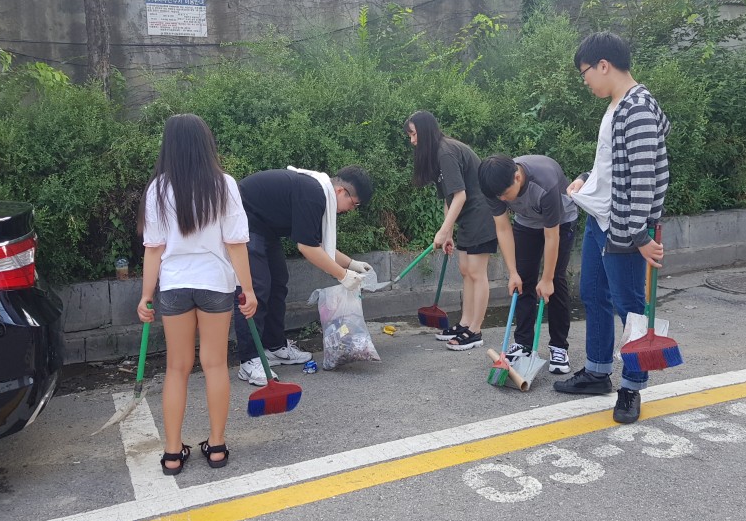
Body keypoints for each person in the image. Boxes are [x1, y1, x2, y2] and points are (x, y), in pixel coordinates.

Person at [554, 31, 671, 425]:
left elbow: (642, 179)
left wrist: (638, 235)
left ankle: (632, 387)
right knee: (593, 293)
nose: (585, 80)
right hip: (602, 217)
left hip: (625, 228)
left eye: (585, 72)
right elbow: (613, 164)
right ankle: (599, 371)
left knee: (630, 306)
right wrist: (587, 179)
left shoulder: (637, 108)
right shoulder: (618, 105)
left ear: (603, 65)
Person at [137, 114, 258, 476]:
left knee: (177, 368)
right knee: (216, 364)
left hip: (173, 285)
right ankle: (217, 446)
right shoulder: (224, 185)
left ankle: (173, 453)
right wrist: (248, 289)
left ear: (168, 146)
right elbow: (236, 244)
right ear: (207, 143)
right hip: (215, 284)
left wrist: (146, 297)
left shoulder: (157, 188)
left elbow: (153, 249)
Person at [232, 165, 374, 385]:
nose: (351, 209)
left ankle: (274, 347)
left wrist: (352, 264)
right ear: (340, 192)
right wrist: (343, 276)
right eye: (353, 204)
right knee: (257, 288)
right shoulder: (314, 194)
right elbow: (307, 249)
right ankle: (249, 360)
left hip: (265, 228)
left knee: (278, 283)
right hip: (245, 219)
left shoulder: (319, 192)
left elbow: (318, 244)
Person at [405, 111, 497, 351]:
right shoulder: (437, 155)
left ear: (425, 132)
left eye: (414, 134)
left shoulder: (445, 151)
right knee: (466, 270)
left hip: (481, 213)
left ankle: (475, 331)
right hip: (468, 216)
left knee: (477, 273)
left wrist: (443, 231)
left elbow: (461, 195)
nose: (412, 140)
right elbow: (449, 198)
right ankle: (465, 323)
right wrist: (448, 233)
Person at [478, 154, 578, 374]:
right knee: (522, 279)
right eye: (498, 196)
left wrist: (547, 278)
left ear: (517, 177)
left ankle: (559, 346)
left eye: (505, 194)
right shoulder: (494, 185)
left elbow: (552, 237)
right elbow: (503, 229)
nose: (503, 200)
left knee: (556, 282)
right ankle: (523, 342)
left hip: (561, 222)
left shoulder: (545, 183)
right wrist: (512, 272)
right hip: (526, 223)